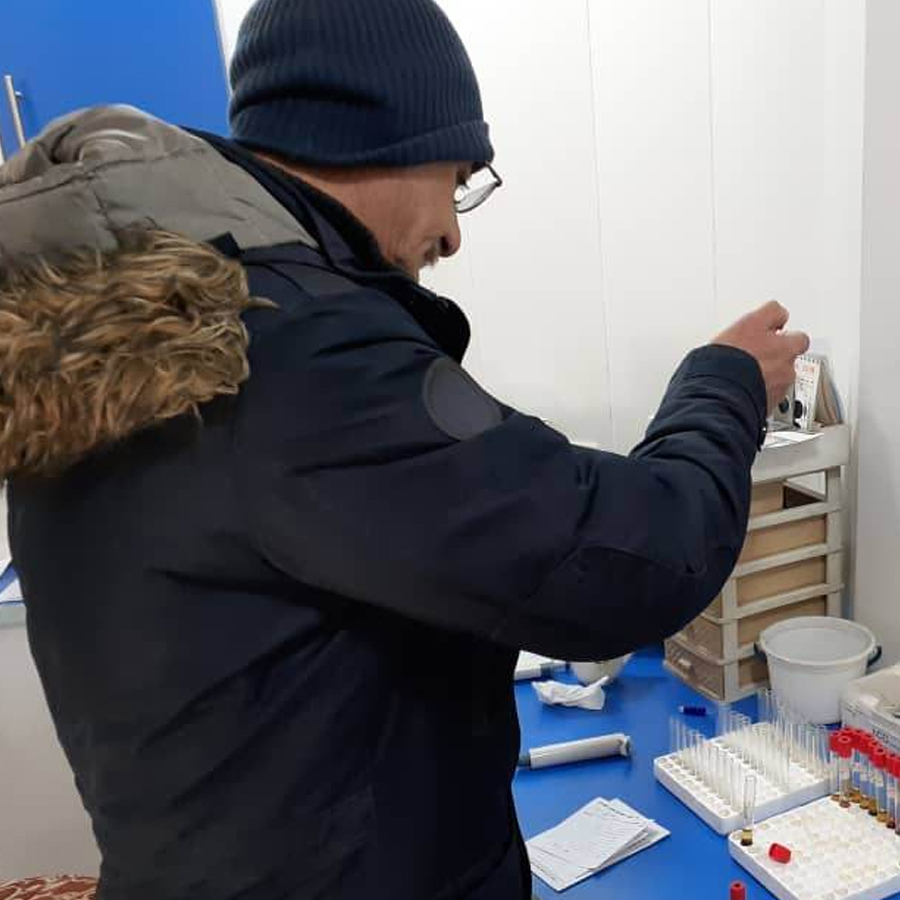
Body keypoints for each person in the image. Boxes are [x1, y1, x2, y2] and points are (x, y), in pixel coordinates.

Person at [0, 0, 807, 897]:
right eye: (459, 175)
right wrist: (725, 381)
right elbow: (635, 558)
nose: (455, 232)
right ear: (385, 141)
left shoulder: (119, 329)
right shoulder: (289, 351)